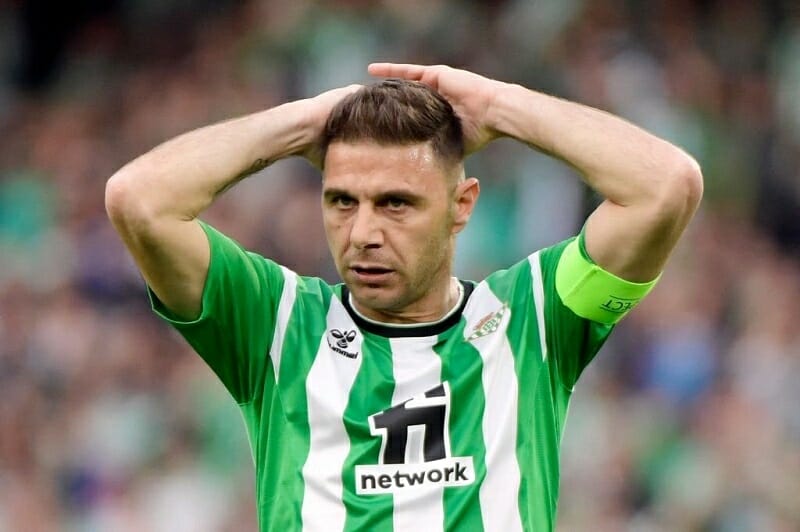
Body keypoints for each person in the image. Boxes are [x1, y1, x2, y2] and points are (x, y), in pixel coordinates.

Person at [105, 63, 702, 531]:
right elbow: (138, 200)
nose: (362, 233)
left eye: (395, 203)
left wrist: (500, 107)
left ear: (461, 205)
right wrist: (301, 123)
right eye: (342, 201)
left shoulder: (533, 316)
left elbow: (666, 186)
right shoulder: (275, 321)